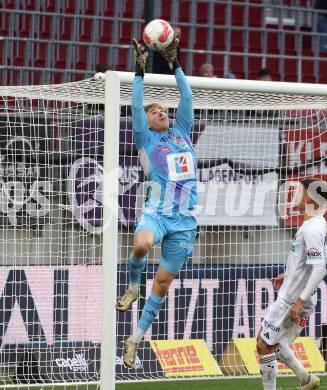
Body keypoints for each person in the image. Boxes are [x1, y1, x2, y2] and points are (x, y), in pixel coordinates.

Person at [116, 33, 197, 368]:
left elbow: (187, 94)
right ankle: (132, 285)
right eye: (156, 111)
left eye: (164, 109)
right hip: (156, 212)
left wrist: (174, 63)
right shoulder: (145, 140)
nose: (161, 112)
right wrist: (139, 73)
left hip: (185, 220)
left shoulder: (182, 131)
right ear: (147, 122)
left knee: (162, 284)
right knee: (141, 245)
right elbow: (135, 106)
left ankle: (135, 338)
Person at [256, 178, 327, 390]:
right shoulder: (317, 224)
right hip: (298, 296)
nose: (295, 195)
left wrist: (299, 300)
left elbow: (320, 268)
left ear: (308, 198)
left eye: (299, 191)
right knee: (276, 344)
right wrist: (288, 274)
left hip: (292, 300)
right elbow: (309, 262)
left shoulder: (311, 230)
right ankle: (306, 379)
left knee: (263, 344)